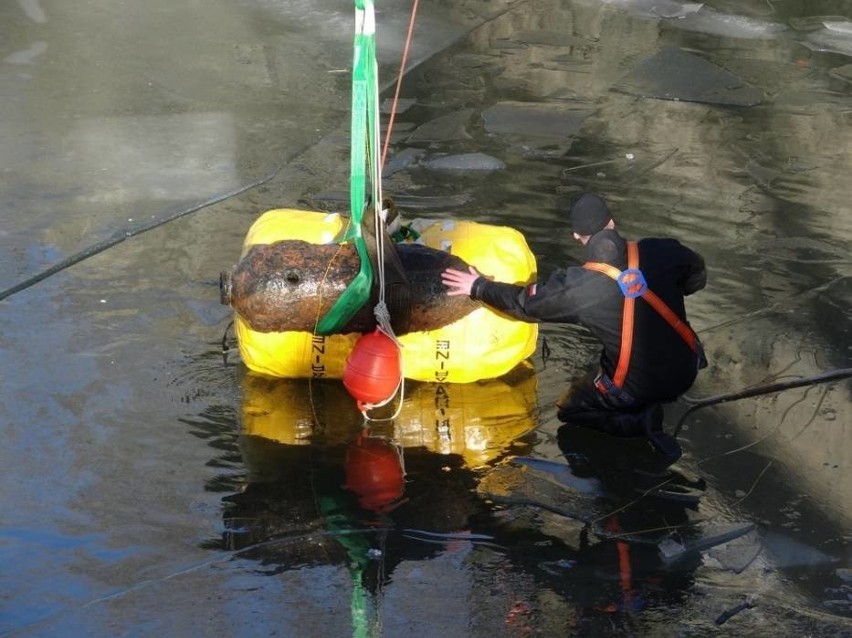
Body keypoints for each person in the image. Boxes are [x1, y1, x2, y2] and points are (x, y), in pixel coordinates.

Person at [441, 192, 707, 463]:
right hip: (688, 368)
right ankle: (648, 402)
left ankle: (639, 423)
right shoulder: (663, 250)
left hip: (637, 387)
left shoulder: (579, 287)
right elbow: (697, 274)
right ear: (611, 223)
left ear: (577, 237)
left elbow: (526, 306)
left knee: (570, 408)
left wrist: (478, 286)